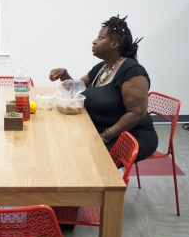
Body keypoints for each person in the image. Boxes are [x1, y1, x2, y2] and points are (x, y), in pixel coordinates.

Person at [49, 15, 158, 163]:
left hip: (130, 136)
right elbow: (75, 88)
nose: (94, 41)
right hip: (100, 130)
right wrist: (64, 73)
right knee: (60, 145)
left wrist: (103, 137)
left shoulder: (132, 72)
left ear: (114, 44)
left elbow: (135, 114)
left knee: (85, 161)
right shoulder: (102, 68)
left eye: (100, 38)